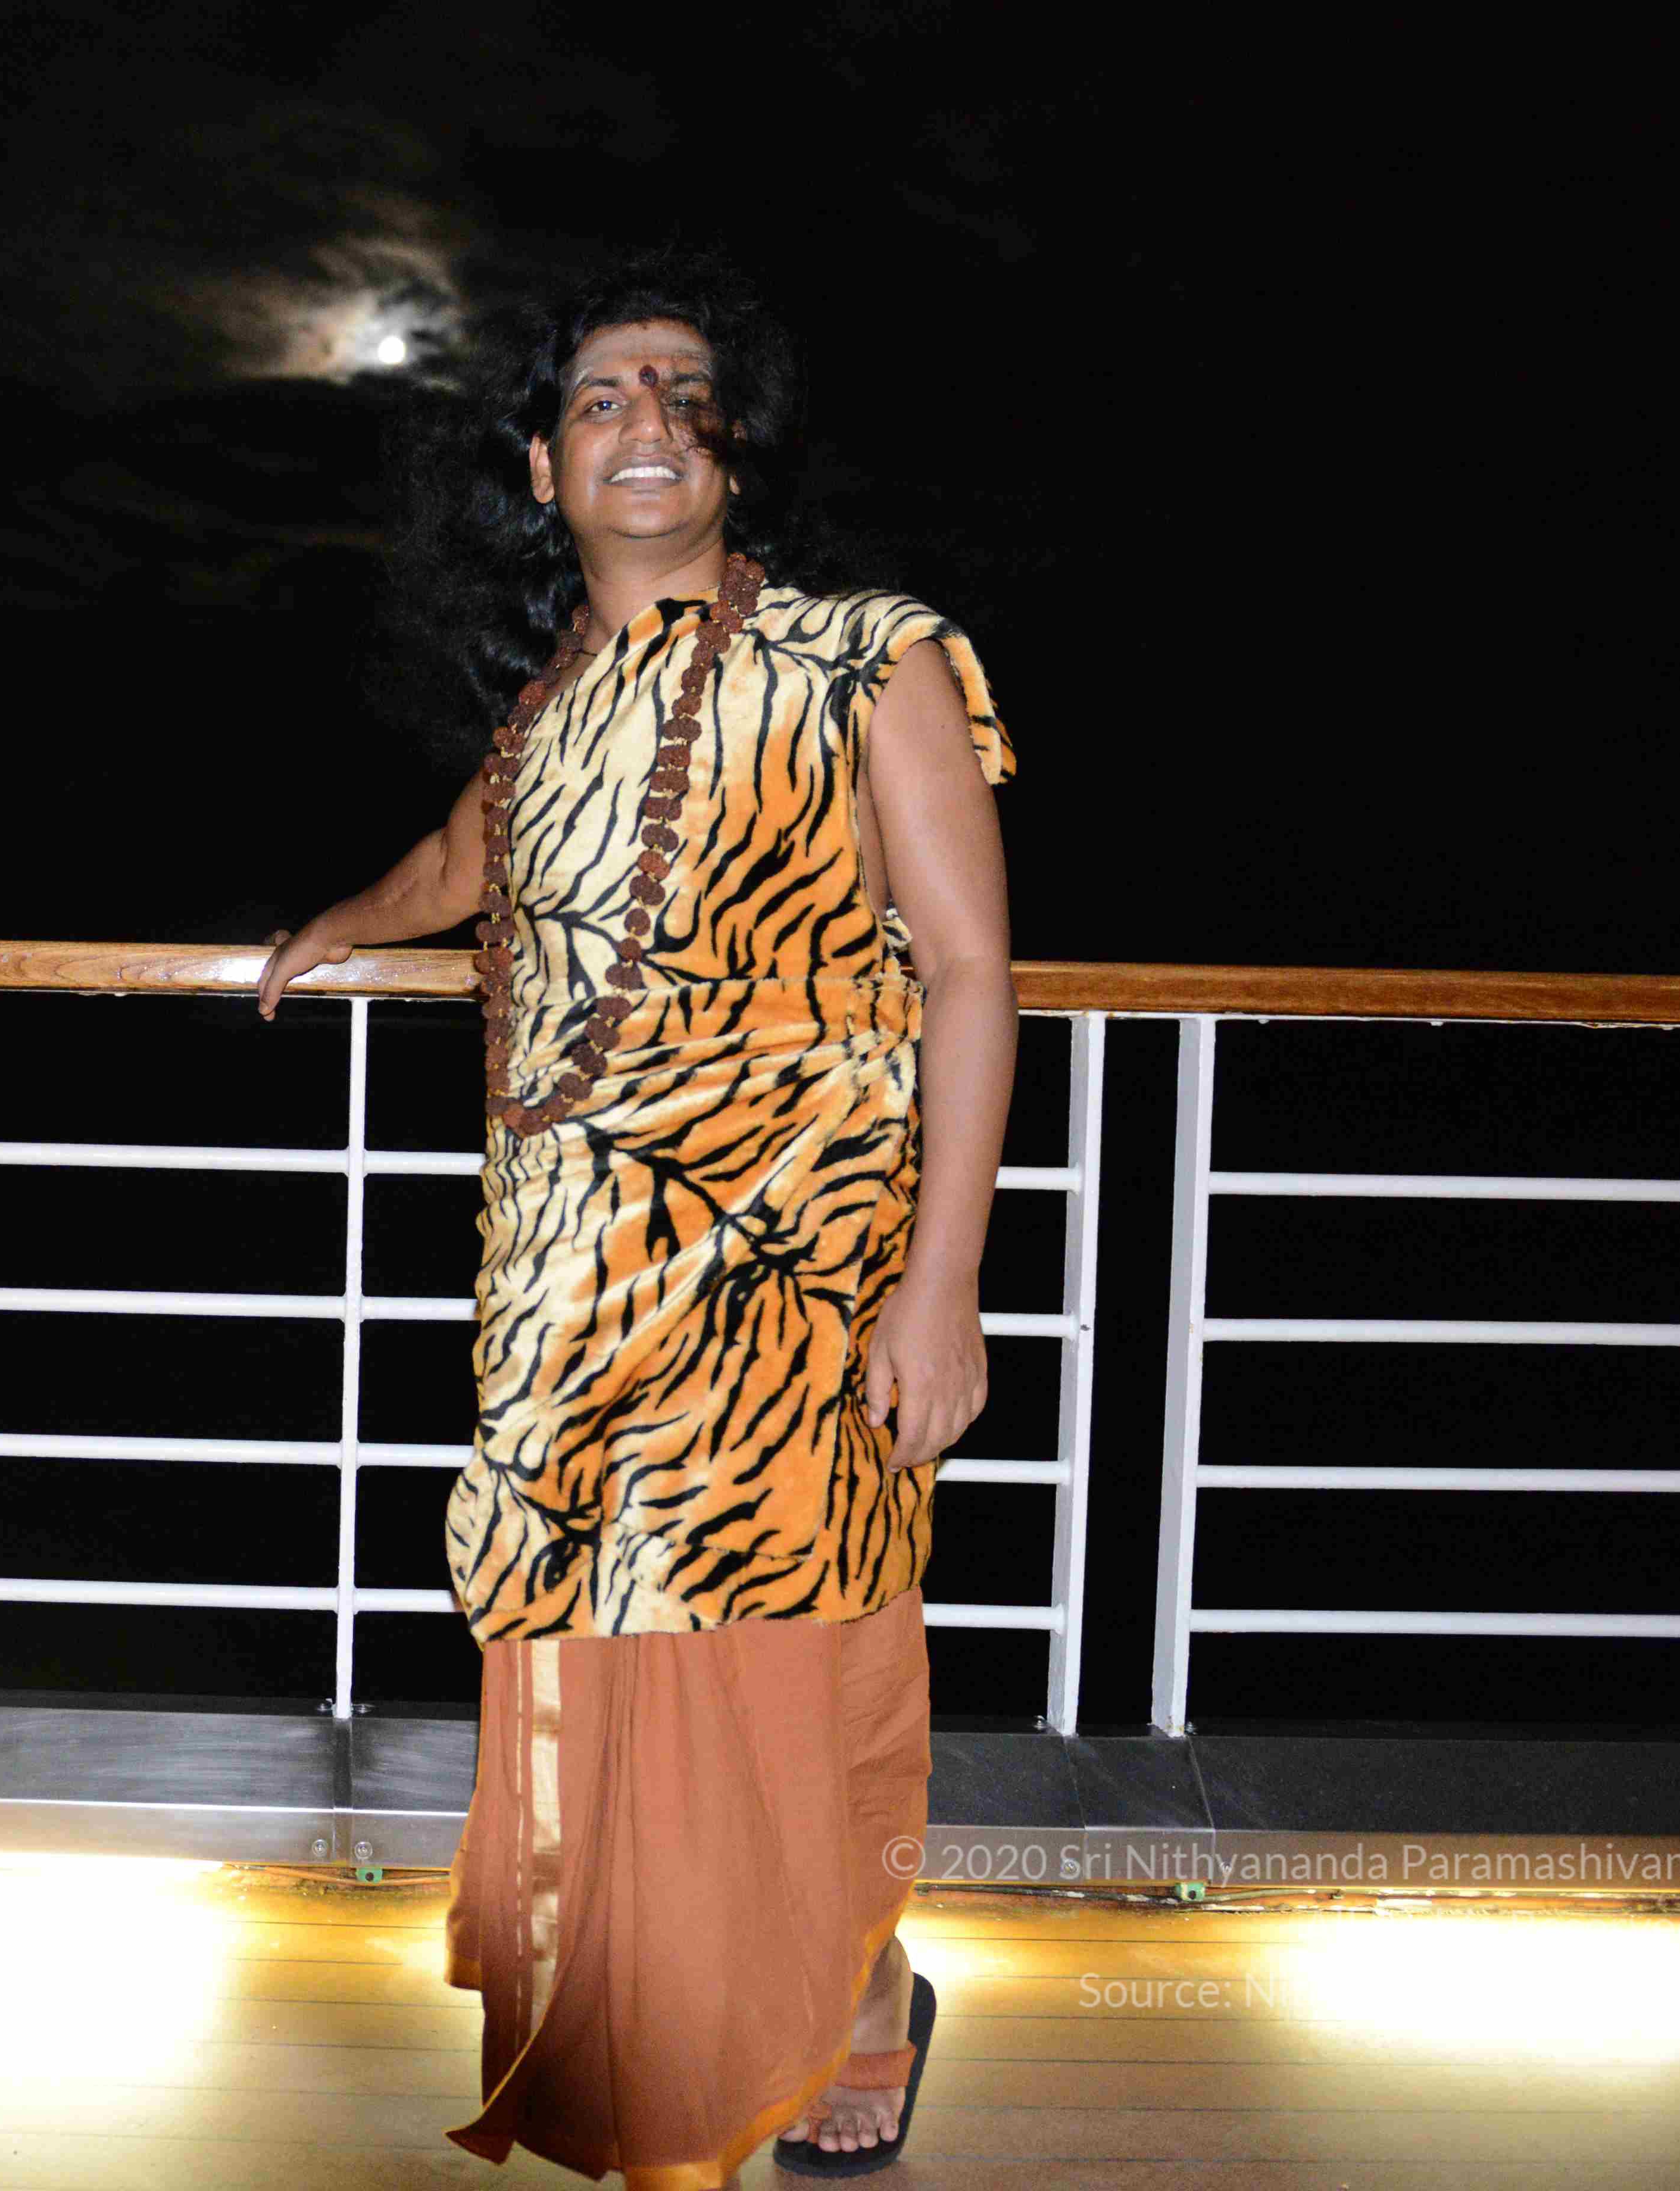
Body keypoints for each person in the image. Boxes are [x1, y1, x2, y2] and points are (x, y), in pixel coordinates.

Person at [256, 249, 1015, 2183]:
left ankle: (861, 1989)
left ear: (733, 446)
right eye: (602, 399)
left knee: (797, 1664)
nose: (647, 424)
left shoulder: (867, 655)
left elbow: (969, 971)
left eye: (684, 392)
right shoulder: (547, 712)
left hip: (793, 1269)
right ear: (544, 471)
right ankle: (674, 2026)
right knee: (605, 1671)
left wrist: (944, 1288)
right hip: (571, 1289)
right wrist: (341, 921)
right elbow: (461, 862)